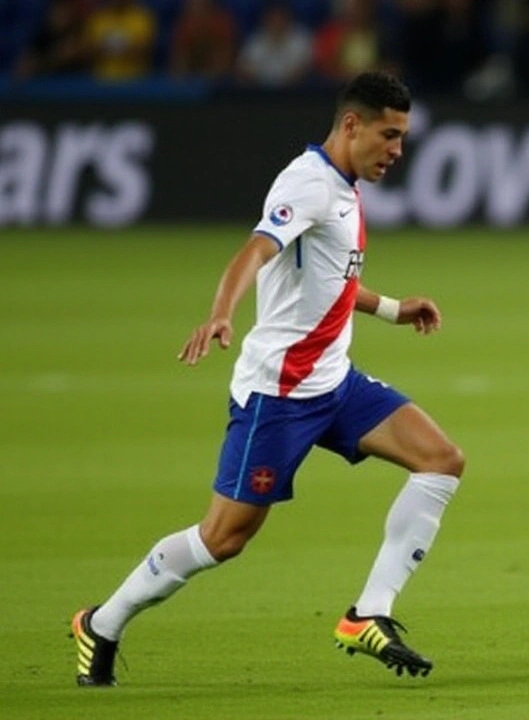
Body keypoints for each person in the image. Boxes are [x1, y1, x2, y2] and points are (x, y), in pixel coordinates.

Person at [71, 71, 464, 687]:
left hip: (335, 384)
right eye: (390, 134)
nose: (398, 150)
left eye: (404, 137)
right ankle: (103, 621)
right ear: (352, 125)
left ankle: (369, 614)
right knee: (223, 539)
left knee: (441, 460)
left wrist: (392, 308)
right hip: (278, 395)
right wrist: (222, 312)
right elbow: (253, 251)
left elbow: (330, 278)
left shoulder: (344, 185)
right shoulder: (306, 184)